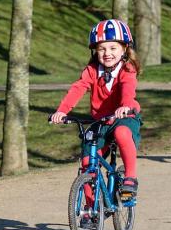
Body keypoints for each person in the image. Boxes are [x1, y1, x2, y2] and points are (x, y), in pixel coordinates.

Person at [50, 19, 142, 199]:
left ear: (124, 49)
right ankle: (90, 209)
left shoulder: (127, 69)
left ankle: (130, 177)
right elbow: (78, 88)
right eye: (102, 49)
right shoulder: (92, 70)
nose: (107, 53)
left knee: (122, 133)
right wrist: (62, 110)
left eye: (113, 48)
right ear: (95, 51)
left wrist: (124, 106)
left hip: (125, 116)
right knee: (87, 160)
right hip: (101, 121)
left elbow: (128, 89)